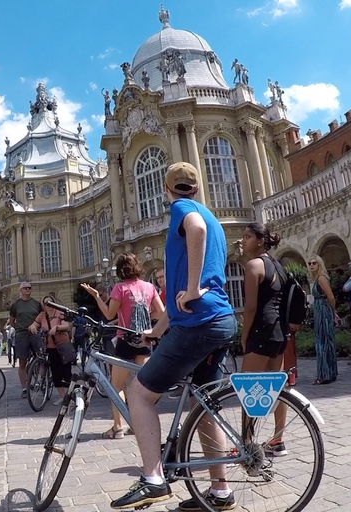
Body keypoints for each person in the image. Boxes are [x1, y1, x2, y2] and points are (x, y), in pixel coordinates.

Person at [109, 162, 237, 511]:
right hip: (219, 320)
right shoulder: (211, 216)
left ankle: (153, 478)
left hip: (199, 323)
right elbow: (186, 283)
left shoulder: (184, 210)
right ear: (197, 187)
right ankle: (220, 491)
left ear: (168, 190)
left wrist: (193, 288)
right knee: (203, 405)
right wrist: (157, 329)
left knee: (138, 393)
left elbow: (194, 234)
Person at [82, 252, 164, 439]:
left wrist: (97, 297)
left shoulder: (120, 288)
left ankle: (118, 426)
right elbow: (161, 313)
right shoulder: (149, 287)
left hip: (125, 341)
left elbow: (109, 315)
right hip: (145, 340)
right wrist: (145, 318)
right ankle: (141, 424)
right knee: (142, 386)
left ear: (120, 270)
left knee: (116, 385)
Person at [238, 222, 289, 457]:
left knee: (250, 387)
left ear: (260, 240)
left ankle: (246, 441)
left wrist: (244, 334)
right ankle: (278, 439)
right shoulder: (279, 266)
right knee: (277, 387)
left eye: (247, 236)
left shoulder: (253, 265)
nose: (243, 241)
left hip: (260, 329)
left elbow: (250, 308)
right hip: (279, 330)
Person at [29, 296, 74, 406]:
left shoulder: (60, 313)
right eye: (46, 303)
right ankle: (63, 397)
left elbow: (66, 326)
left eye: (50, 303)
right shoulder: (42, 315)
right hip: (51, 347)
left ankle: (71, 396)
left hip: (63, 346)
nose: (48, 305)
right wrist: (33, 327)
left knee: (67, 374)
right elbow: (34, 324)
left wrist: (57, 328)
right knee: (56, 374)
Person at [7, 282, 43, 398]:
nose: (28, 289)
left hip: (35, 334)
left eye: (29, 288)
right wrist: (19, 328)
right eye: (25, 288)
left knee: (41, 359)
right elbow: (11, 321)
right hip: (21, 335)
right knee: (22, 362)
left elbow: (41, 318)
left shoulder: (36, 304)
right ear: (21, 290)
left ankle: (40, 383)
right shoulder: (16, 305)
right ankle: (24, 388)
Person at [308, 255, 339, 385]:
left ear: (319, 264)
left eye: (314, 263)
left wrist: (333, 311)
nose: (311, 265)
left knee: (322, 342)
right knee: (325, 341)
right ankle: (329, 373)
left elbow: (331, 297)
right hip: (320, 310)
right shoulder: (317, 279)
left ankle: (324, 375)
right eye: (309, 263)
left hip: (323, 310)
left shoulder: (321, 278)